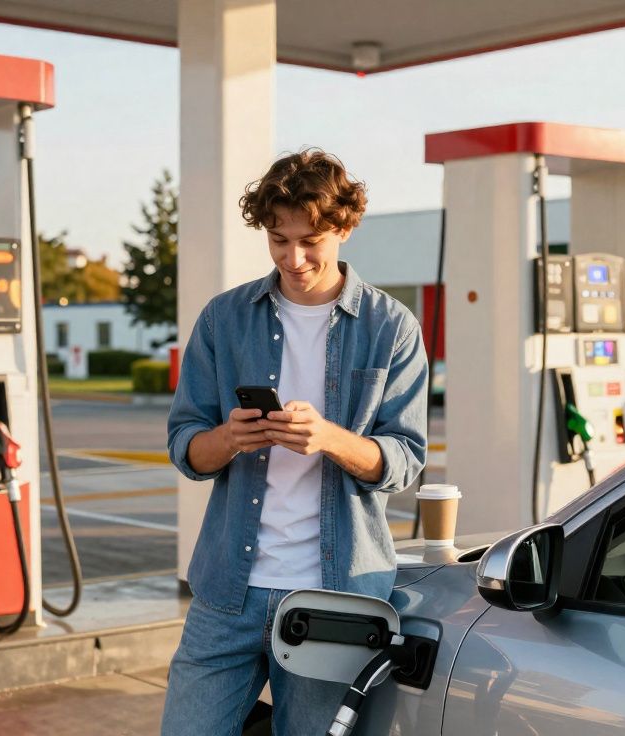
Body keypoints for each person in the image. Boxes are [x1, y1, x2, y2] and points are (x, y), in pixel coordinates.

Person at [161, 149, 429, 735]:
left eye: (311, 241)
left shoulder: (392, 328)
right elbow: (187, 448)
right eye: (279, 240)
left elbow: (405, 461)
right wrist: (230, 437)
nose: (294, 258)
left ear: (345, 228)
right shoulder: (224, 318)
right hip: (226, 592)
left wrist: (330, 439)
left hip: (334, 598)